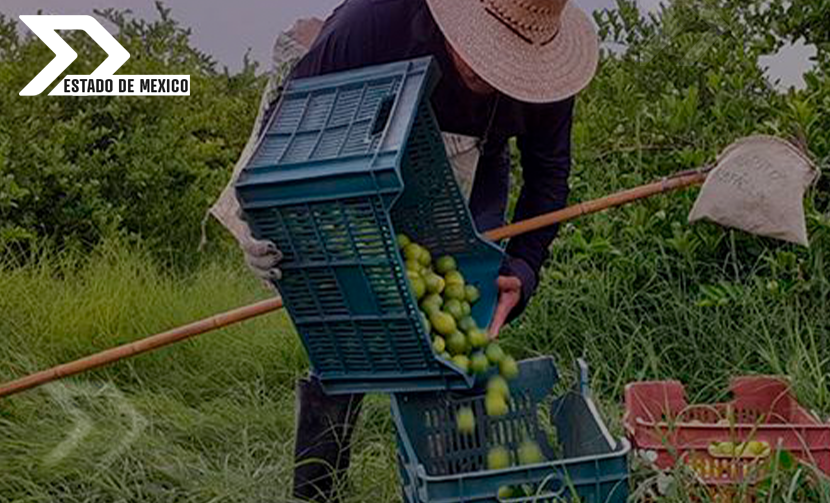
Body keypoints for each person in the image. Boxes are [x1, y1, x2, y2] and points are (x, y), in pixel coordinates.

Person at [207, 0, 598, 500]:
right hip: (350, 147)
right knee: (347, 336)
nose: (489, 72)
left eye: (507, 65)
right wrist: (266, 219)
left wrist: (523, 267)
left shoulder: (544, 74)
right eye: (482, 54)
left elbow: (548, 177)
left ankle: (455, 483)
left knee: (460, 333)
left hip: (470, 163)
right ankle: (315, 492)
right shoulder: (375, 23)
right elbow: (288, 127)